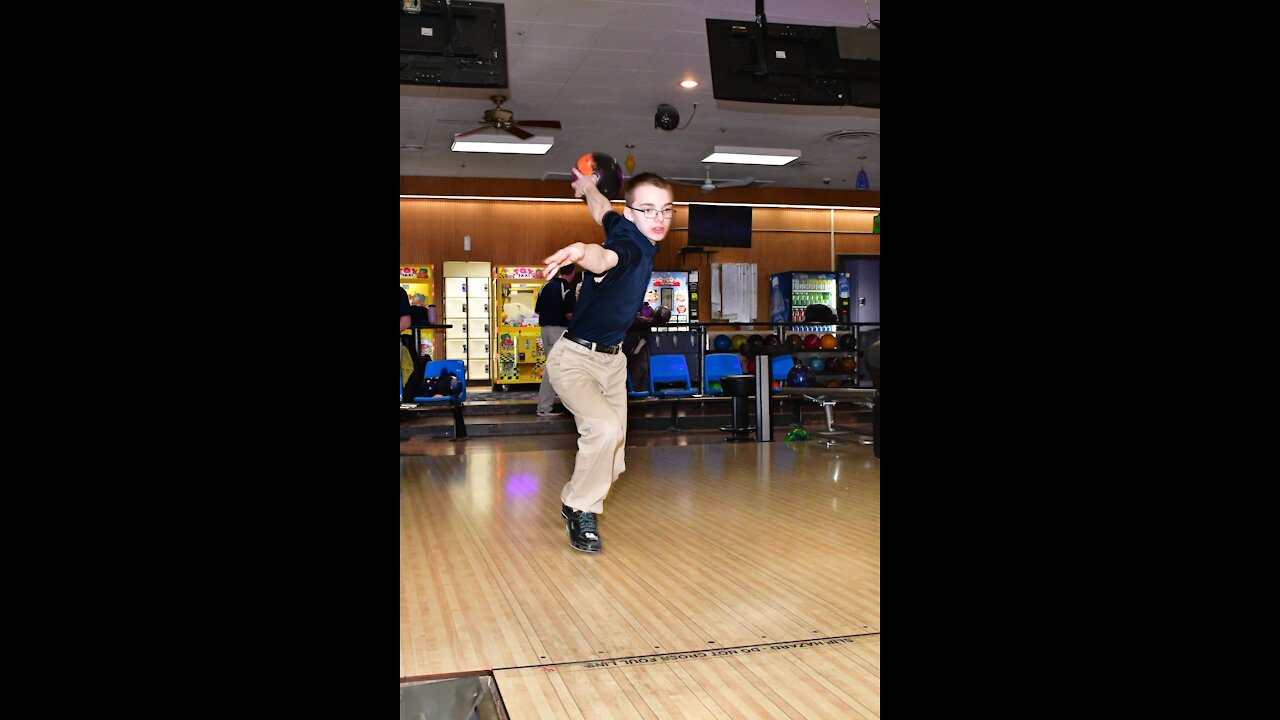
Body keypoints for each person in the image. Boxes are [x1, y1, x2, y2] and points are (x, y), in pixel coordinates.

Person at [541, 168, 674, 553]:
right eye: (648, 211)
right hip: (575, 359)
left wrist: (588, 189)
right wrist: (582, 252)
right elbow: (605, 258)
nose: (659, 219)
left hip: (612, 363)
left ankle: (575, 500)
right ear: (632, 212)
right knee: (603, 430)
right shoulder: (628, 249)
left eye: (666, 210)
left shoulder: (625, 227)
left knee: (613, 459)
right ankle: (580, 510)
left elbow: (603, 211)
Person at [533, 264, 577, 416]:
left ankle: (555, 403)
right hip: (559, 330)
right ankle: (544, 407)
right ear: (573, 272)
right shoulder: (567, 288)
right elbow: (569, 314)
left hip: (544, 329)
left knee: (557, 367)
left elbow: (537, 310)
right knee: (553, 368)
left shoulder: (545, 287)